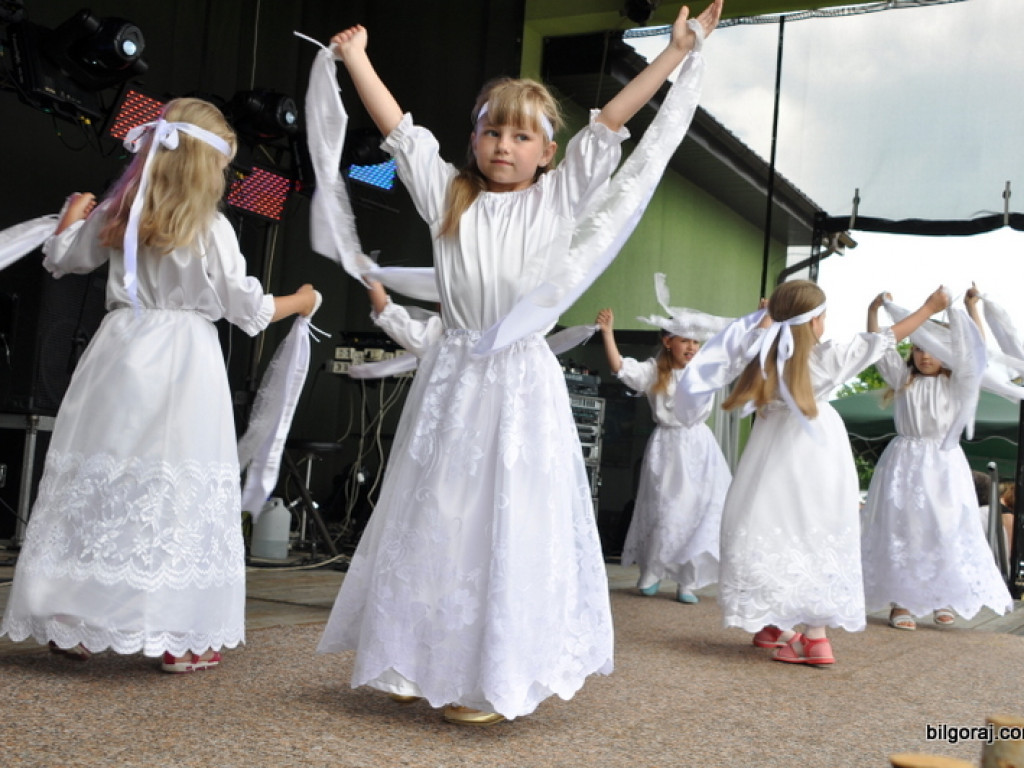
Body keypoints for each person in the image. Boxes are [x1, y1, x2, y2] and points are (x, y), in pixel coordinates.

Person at [317, 1, 724, 725]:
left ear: (547, 151)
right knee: (436, 516)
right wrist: (355, 59)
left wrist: (673, 56)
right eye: (491, 129)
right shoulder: (448, 197)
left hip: (518, 384)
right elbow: (398, 132)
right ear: (474, 138)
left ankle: (491, 676)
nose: (504, 144)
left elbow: (610, 124)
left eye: (522, 134)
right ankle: (416, 655)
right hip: (452, 382)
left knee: (506, 519)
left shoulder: (561, 197)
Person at [0, 98, 320, 672]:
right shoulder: (212, 229)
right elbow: (245, 308)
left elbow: (62, 259)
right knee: (169, 491)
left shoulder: (119, 212)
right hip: (182, 364)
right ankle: (177, 635)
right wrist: (302, 300)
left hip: (117, 353)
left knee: (103, 483)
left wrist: (74, 213)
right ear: (209, 168)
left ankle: (72, 622)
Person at [677, 279, 949, 666]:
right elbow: (885, 338)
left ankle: (780, 624)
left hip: (771, 456)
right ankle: (811, 636)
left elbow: (731, 356)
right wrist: (928, 307)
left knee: (768, 525)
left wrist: (765, 321)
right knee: (817, 530)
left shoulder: (762, 357)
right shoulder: (829, 357)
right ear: (817, 321)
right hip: (821, 451)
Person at [861, 287, 1013, 631]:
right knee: (905, 528)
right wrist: (874, 311)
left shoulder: (957, 383)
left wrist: (973, 309)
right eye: (917, 348)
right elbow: (878, 345)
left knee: (945, 527)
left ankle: (942, 598)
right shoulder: (902, 380)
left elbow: (975, 352)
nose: (925, 356)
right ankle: (902, 601)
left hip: (944, 464)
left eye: (932, 350)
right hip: (904, 462)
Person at [595, 300, 730, 604]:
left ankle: (687, 580)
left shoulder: (706, 370)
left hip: (699, 446)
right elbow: (619, 367)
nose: (692, 347)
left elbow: (736, 355)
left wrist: (762, 323)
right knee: (665, 507)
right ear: (668, 342)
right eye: (685, 340)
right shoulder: (654, 371)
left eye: (696, 341)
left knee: (699, 508)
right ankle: (652, 571)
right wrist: (607, 333)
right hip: (668, 445)